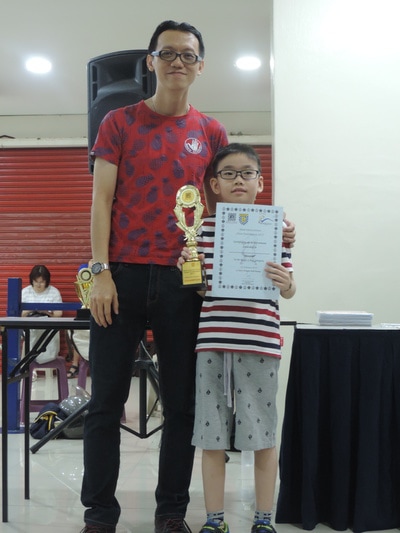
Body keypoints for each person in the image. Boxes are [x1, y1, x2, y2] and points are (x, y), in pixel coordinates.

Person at [80, 20, 296, 533]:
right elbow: (101, 200)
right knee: (105, 402)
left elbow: (227, 207)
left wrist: (272, 231)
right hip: (122, 277)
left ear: (201, 66)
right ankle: (99, 514)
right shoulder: (118, 122)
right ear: (151, 61)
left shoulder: (211, 132)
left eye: (188, 55)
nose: (178, 61)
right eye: (168, 53)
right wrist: (100, 272)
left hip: (188, 281)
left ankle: (171, 512)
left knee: (181, 404)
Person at [178, 144, 296, 533]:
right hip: (213, 343)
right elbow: (201, 290)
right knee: (210, 435)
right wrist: (190, 269)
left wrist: (287, 282)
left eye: (247, 173)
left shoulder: (276, 229)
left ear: (261, 182)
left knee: (263, 434)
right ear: (214, 184)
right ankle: (215, 520)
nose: (238, 180)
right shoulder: (201, 231)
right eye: (228, 173)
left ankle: (263, 519)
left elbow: (289, 289)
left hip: (260, 342)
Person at [21, 264, 63, 364]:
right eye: (36, 282)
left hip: (47, 325)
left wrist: (45, 312)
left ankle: (42, 360)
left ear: (47, 281)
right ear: (32, 280)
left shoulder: (54, 292)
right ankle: (26, 364)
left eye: (42, 282)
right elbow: (20, 315)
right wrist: (31, 309)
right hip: (29, 326)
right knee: (30, 334)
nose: (38, 285)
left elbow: (59, 314)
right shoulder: (25, 292)